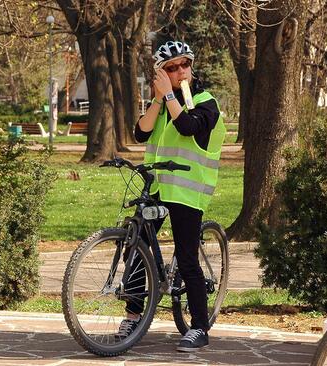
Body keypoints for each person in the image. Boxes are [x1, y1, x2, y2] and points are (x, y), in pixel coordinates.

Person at [116, 40, 225, 353]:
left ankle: (199, 328)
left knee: (188, 259)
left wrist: (169, 97)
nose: (180, 71)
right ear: (160, 73)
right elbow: (141, 133)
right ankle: (133, 315)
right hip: (159, 186)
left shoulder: (206, 102)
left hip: (188, 191)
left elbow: (189, 126)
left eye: (184, 65)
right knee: (136, 248)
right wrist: (157, 101)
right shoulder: (164, 104)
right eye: (171, 68)